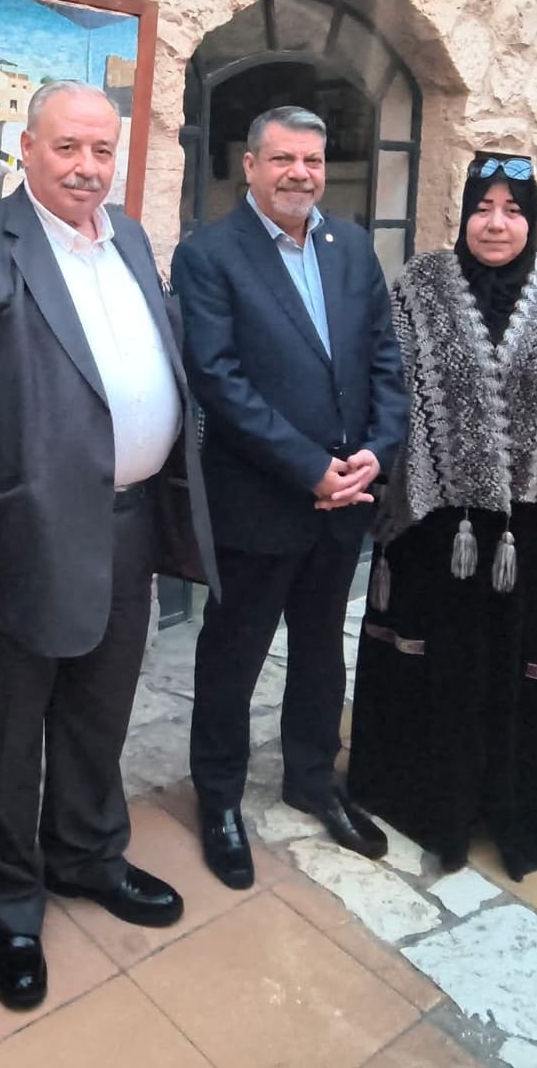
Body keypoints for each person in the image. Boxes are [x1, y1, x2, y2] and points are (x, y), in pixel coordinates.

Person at [0, 81, 216, 1012]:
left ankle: (86, 854)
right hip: (16, 545)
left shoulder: (131, 240)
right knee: (1, 734)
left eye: (102, 151)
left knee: (98, 710)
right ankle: (9, 898)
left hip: (127, 527)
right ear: (27, 148)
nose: (86, 168)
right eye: (68, 148)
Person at [347, 152, 537, 880]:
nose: (495, 223)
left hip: (526, 535)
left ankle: (511, 809)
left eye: (512, 210)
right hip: (430, 526)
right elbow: (387, 386)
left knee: (514, 674)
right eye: (482, 207)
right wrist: (375, 477)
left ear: (531, 217)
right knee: (433, 669)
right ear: (464, 212)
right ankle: (425, 804)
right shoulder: (420, 286)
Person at [172, 105, 409, 889]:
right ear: (250, 165)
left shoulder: (352, 249)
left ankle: (311, 780)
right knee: (232, 656)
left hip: (348, 500)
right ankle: (219, 800)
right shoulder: (209, 255)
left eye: (311, 159)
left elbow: (384, 360)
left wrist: (375, 453)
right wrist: (310, 467)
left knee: (320, 649)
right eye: (282, 159)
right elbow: (219, 380)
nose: (299, 174)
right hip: (260, 503)